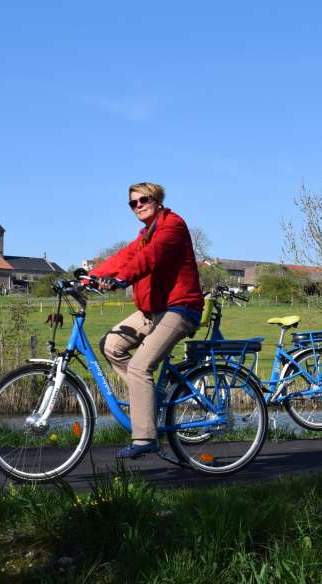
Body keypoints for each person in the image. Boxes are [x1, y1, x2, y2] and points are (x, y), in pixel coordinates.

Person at [92, 182, 203, 459]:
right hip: (153, 311)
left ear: (157, 200)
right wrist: (91, 276)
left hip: (180, 309)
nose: (139, 205)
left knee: (140, 366)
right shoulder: (145, 234)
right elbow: (124, 257)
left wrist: (121, 279)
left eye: (144, 199)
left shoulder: (172, 226)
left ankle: (145, 437)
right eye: (133, 203)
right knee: (111, 344)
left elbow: (148, 258)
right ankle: (149, 397)